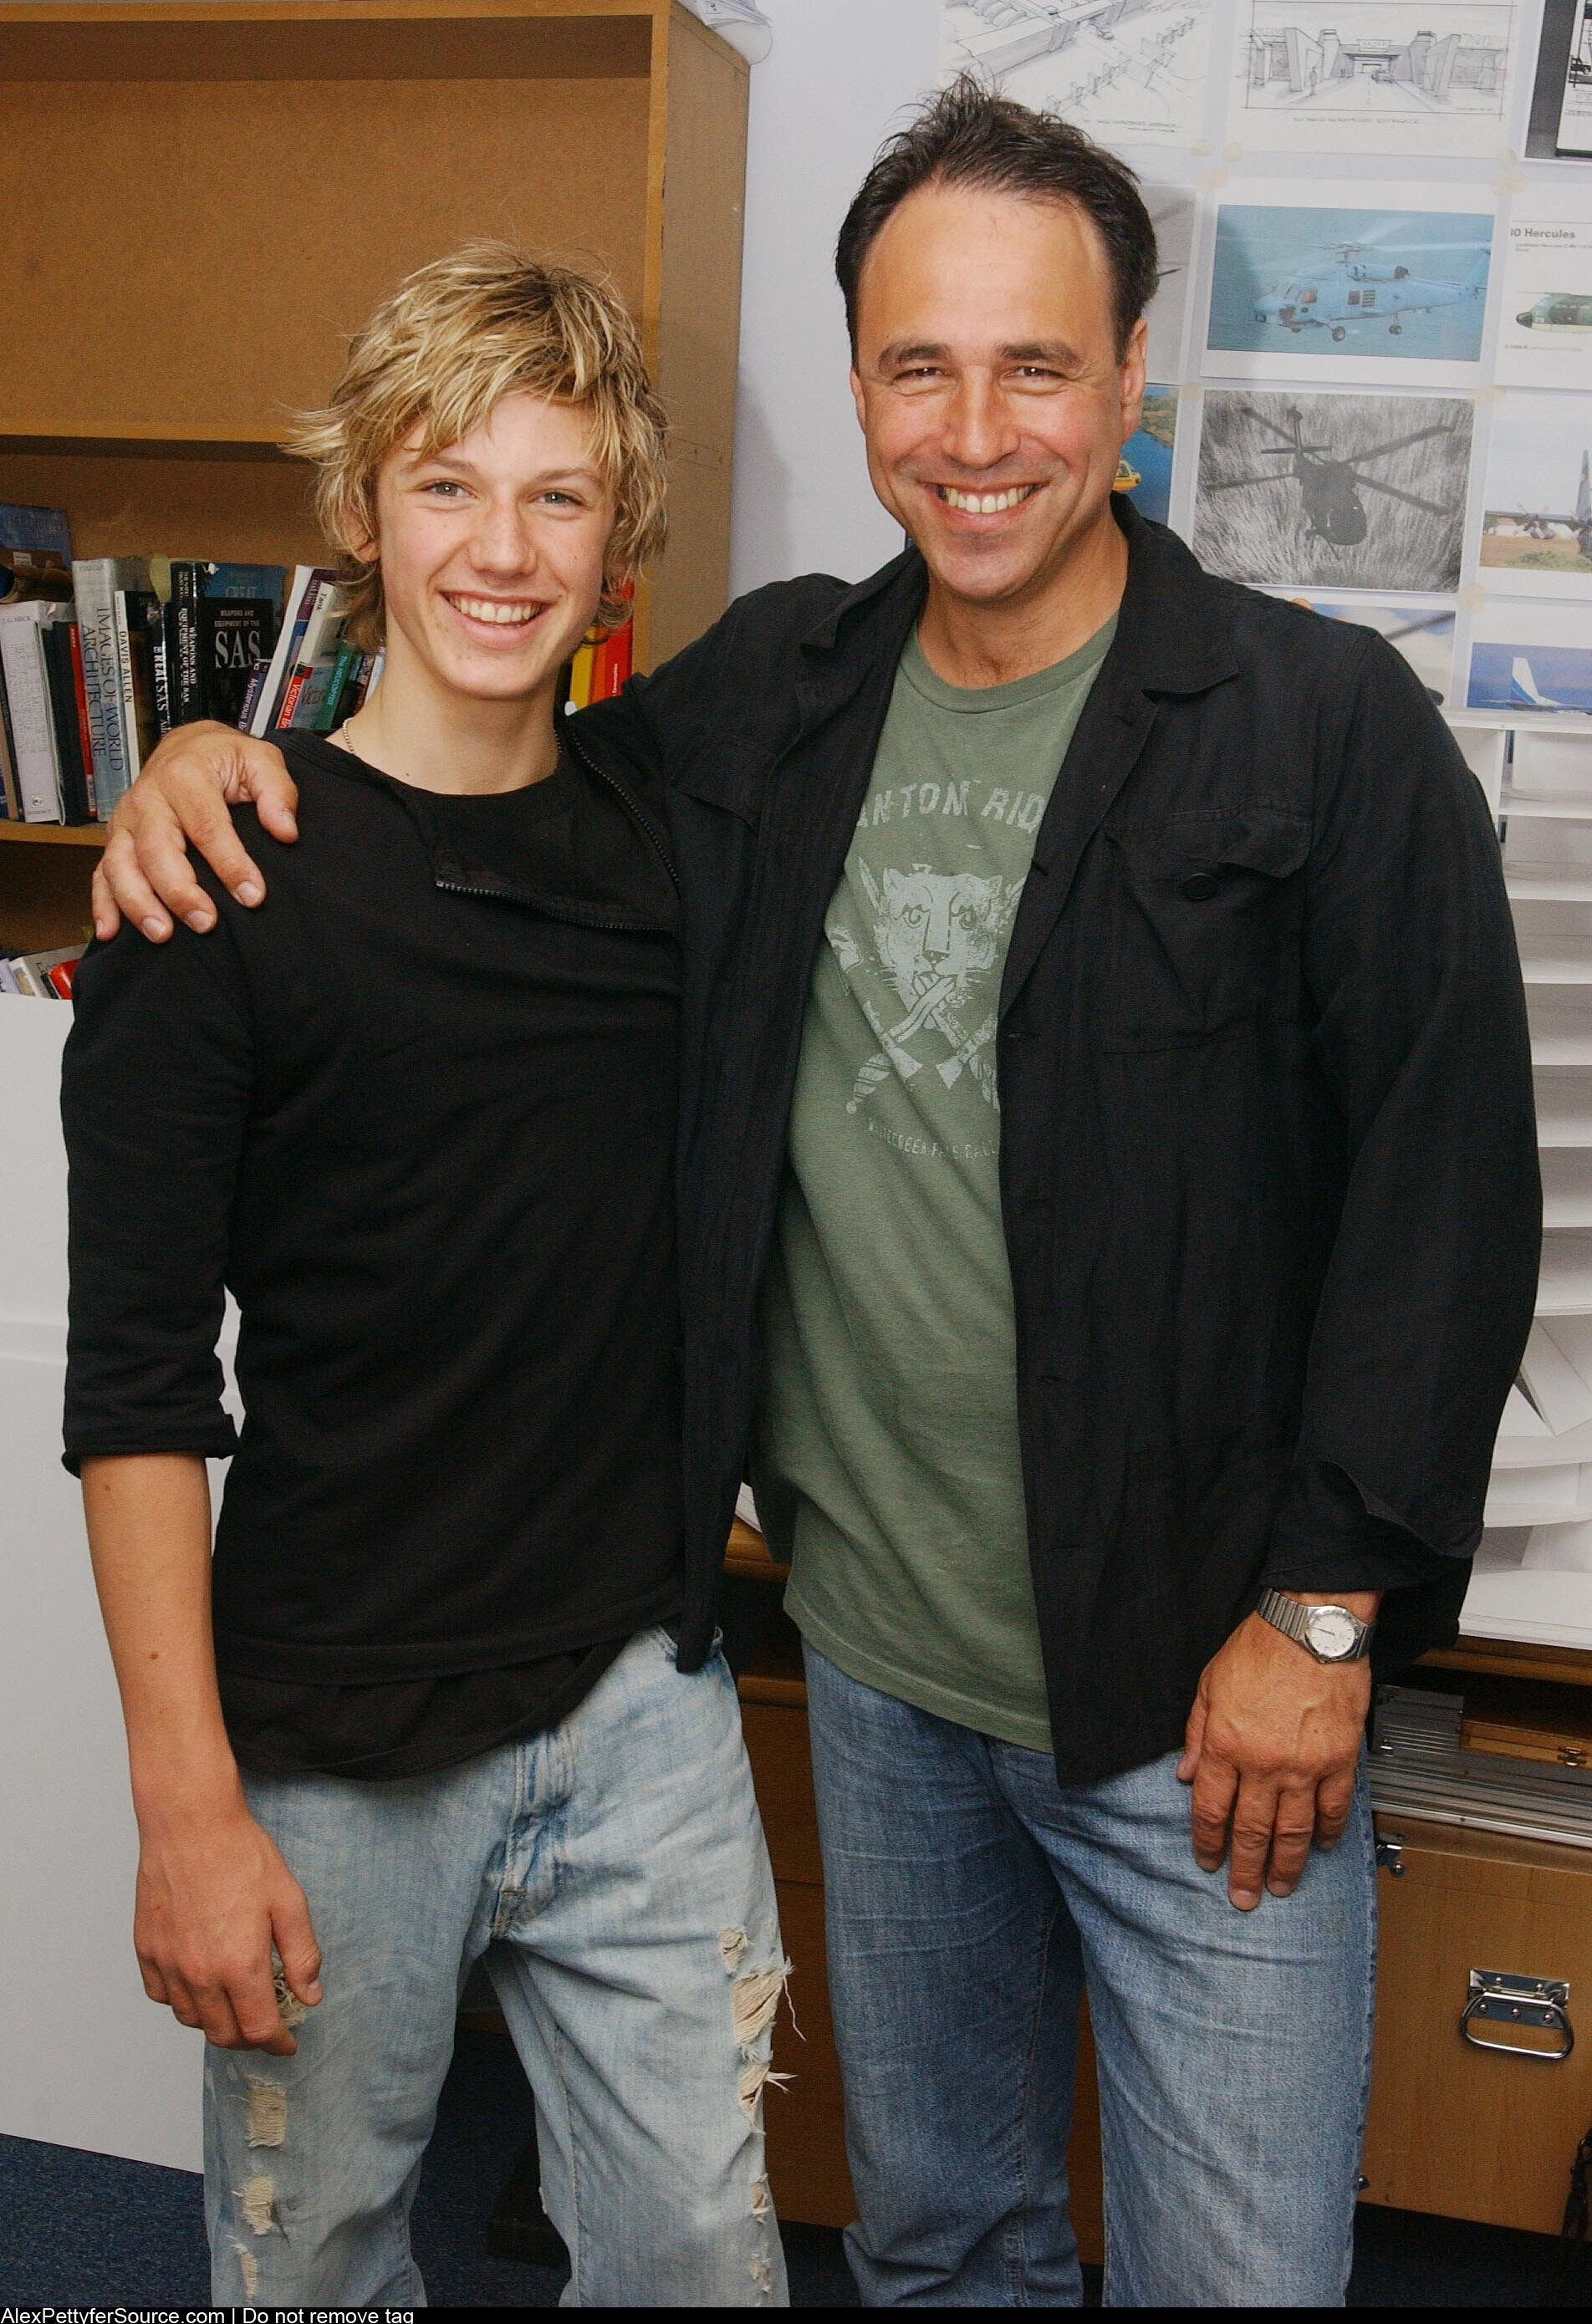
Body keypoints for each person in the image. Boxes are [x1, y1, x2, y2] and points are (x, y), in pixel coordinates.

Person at [94, 84, 1539, 2310]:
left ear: (1128, 379)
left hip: (1200, 1689)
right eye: (916, 364)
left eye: (1035, 364)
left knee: (1236, 2278)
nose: (975, 430)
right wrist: (204, 760)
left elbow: (1446, 1193)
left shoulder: (1321, 727)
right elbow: (472, 770)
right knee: (940, 2238)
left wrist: (1325, 1615)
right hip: (875, 1674)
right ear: (856, 385)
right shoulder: (771, 698)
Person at [62, 243, 788, 2311]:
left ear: (619, 538)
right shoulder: (218, 885)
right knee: (313, 2269)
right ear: (361, 510)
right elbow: (136, 1391)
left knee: (703, 2257)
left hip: (637, 1695)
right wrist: (187, 1812)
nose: (501, 547)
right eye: (447, 484)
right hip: (331, 1734)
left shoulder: (677, 833)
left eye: (560, 495)